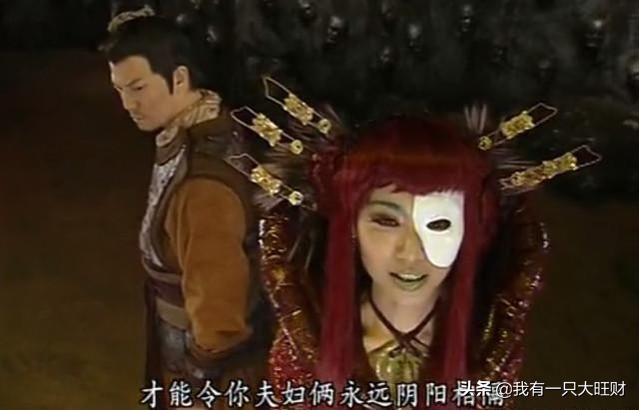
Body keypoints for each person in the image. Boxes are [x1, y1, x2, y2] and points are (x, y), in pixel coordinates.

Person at [257, 115, 547, 409]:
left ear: (470, 229)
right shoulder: (307, 341)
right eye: (386, 221)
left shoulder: (489, 345)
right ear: (351, 225)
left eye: (439, 224)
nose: (410, 253)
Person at [102, 14, 270, 409]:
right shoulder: (208, 127)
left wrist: (202, 373)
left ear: (179, 78)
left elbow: (218, 312)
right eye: (119, 90)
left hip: (208, 366)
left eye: (138, 88)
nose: (127, 104)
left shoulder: (203, 188)